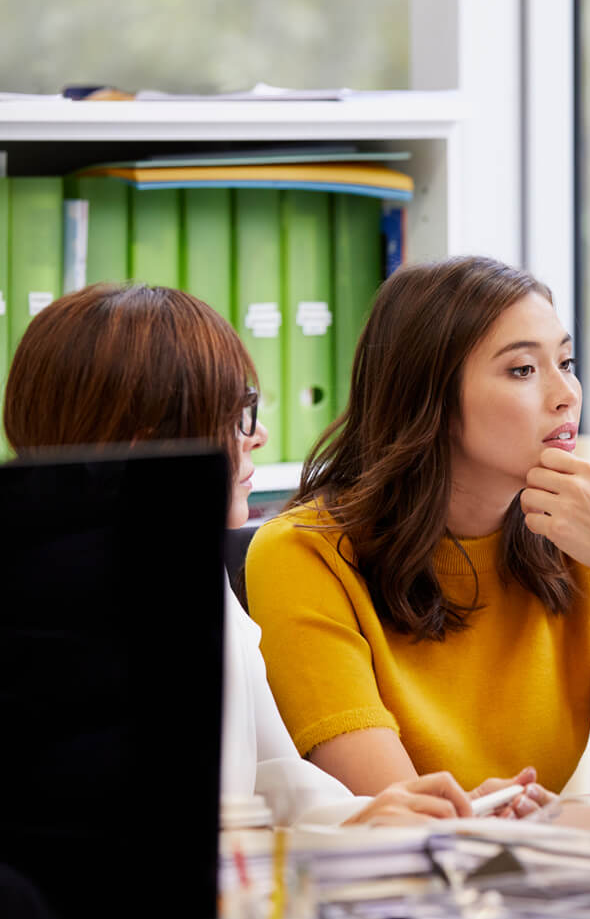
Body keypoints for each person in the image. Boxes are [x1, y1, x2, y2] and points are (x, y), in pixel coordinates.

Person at [2, 282, 519, 827]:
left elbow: (272, 772)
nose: (259, 435)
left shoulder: (181, 570)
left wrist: (371, 817)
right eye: (236, 415)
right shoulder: (43, 609)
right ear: (147, 445)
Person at [245, 255, 590, 803]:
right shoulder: (301, 554)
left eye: (566, 362)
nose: (567, 394)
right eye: (522, 370)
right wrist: (584, 822)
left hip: (541, 882)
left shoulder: (580, 540)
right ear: (429, 400)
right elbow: (416, 828)